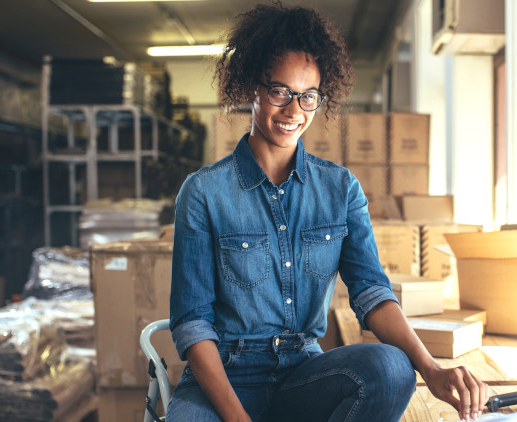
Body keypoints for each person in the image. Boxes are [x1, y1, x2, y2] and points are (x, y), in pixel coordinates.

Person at [167, 3, 489, 421]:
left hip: (303, 373)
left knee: (392, 369)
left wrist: (432, 369)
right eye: (280, 91)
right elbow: (192, 324)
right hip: (224, 379)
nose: (293, 110)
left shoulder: (340, 189)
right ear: (254, 88)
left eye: (308, 96)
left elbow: (372, 293)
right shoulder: (204, 192)